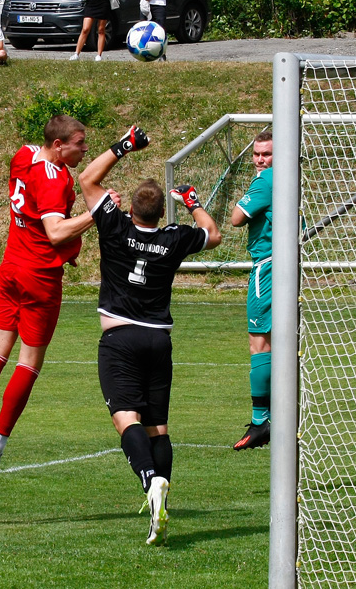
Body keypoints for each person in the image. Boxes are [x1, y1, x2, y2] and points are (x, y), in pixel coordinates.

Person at [79, 129, 222, 546]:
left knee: (126, 418)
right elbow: (213, 234)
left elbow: (87, 180)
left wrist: (125, 145)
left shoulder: (113, 225)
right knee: (158, 426)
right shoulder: (173, 238)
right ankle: (162, 498)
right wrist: (193, 203)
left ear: (131, 208)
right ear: (162, 214)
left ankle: (150, 483)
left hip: (120, 338)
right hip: (159, 341)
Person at [0, 115, 114, 483]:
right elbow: (56, 230)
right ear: (58, 145)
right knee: (29, 361)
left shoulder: (23, 155)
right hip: (38, 276)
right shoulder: (51, 177)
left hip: (12, 265)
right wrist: (97, 212)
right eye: (79, 143)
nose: (84, 148)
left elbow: (36, 209)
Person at [230, 130, 273, 451]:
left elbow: (236, 218)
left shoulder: (266, 181)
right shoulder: (289, 177)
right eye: (257, 154)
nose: (260, 160)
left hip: (267, 267)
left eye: (266, 154)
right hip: (284, 265)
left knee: (259, 344)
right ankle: (277, 414)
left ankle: (261, 422)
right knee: (275, 342)